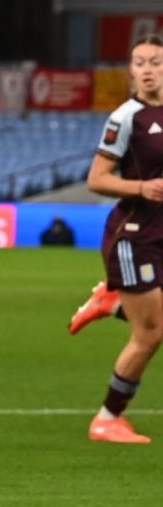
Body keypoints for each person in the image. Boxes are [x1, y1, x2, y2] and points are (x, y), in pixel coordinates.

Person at [76, 33, 163, 443]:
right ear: (131, 71)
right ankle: (107, 417)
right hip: (135, 236)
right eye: (141, 63)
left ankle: (112, 302)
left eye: (156, 62)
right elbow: (96, 179)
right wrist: (140, 188)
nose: (148, 70)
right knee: (150, 334)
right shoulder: (126, 117)